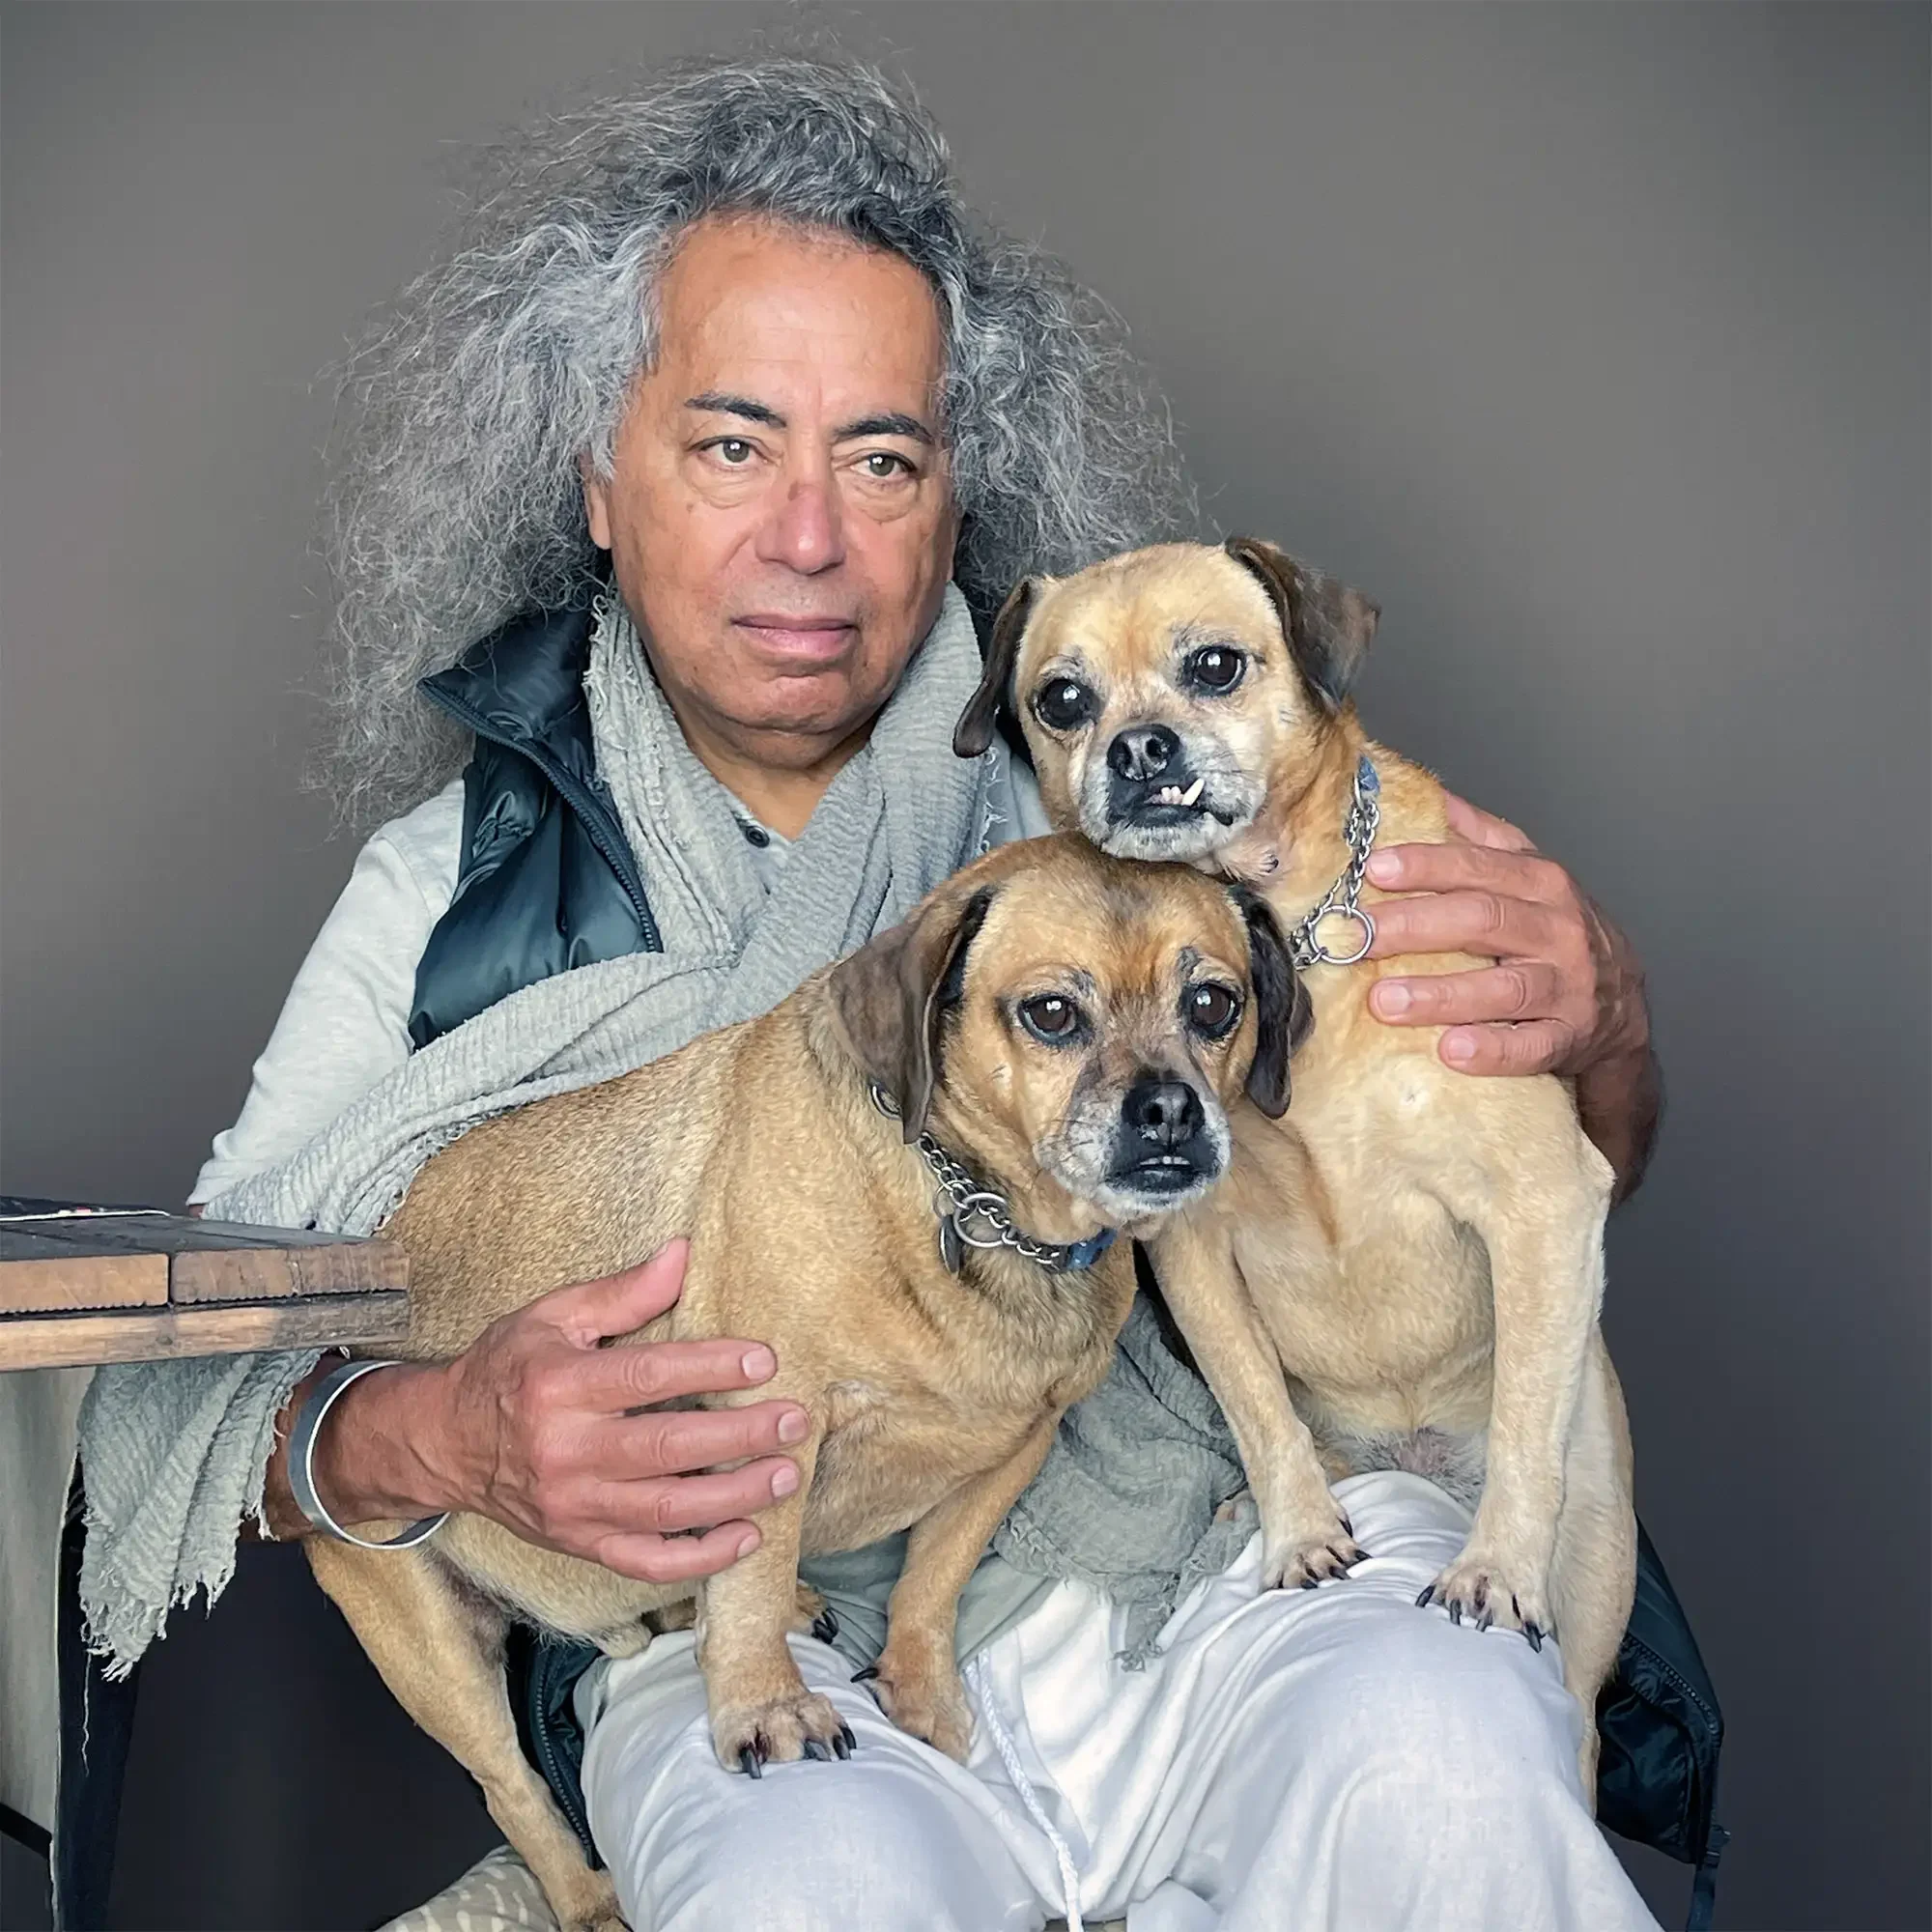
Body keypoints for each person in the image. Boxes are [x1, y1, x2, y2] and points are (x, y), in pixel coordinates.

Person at [129, 57, 1663, 1932]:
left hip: (1224, 1552)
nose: (807, 533)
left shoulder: (1122, 757)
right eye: (729, 442)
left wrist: (1600, 1025)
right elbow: (181, 1358)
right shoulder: (440, 903)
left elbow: (1536, 1170)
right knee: (809, 1892)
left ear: (955, 491)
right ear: (599, 480)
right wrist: (426, 1430)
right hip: (764, 1635)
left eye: (880, 457)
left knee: (1446, 1754)